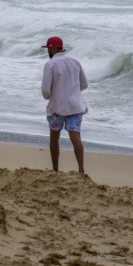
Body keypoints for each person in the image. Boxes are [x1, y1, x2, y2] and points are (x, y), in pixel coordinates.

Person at [40, 36, 88, 173]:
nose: (48, 51)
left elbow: (45, 91)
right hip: (75, 106)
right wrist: (71, 92)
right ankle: (81, 170)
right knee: (75, 137)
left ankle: (55, 170)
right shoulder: (75, 61)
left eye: (48, 48)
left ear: (53, 48)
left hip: (57, 108)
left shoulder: (50, 65)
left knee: (54, 138)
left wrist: (50, 96)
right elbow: (84, 84)